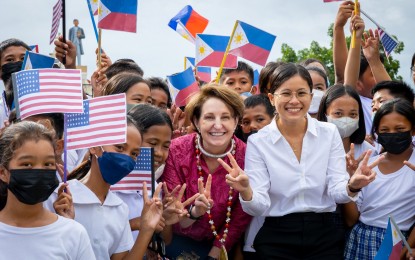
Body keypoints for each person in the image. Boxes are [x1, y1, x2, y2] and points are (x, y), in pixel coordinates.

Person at [218, 62, 382, 259]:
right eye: (286, 93)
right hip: (277, 236)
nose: (294, 101)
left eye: (302, 93)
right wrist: (246, 190)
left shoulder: (329, 133)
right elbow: (259, 206)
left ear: (311, 97)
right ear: (271, 98)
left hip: (324, 235)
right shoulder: (258, 141)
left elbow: (338, 192)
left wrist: (352, 186)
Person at [45, 116, 164, 259]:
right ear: (94, 147)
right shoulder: (57, 197)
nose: (126, 158)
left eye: (134, 154)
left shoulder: (119, 208)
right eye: (120, 147)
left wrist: (146, 228)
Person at [161, 84, 252, 259]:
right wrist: (195, 213)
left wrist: (214, 255)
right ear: (196, 121)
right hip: (176, 241)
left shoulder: (248, 155)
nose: (218, 126)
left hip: (223, 247)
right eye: (209, 117)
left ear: (236, 121)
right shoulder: (176, 150)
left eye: (225, 117)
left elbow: (240, 216)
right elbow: (173, 213)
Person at [0, 121, 95, 259]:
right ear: (3, 172)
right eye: (27, 164)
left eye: (48, 164)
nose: (39, 171)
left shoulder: (73, 234)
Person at [344, 98, 415, 259]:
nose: (392, 134)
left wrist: (407, 248)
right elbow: (351, 219)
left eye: (399, 129)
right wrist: (350, 182)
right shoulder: (369, 165)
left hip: (395, 243)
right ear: (376, 132)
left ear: (413, 130)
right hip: (358, 239)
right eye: (384, 130)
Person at [113, 104, 173, 240]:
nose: (159, 153)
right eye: (152, 143)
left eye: (166, 146)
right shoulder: (111, 184)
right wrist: (134, 224)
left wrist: (166, 218)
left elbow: (166, 240)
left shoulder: (155, 187)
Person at [317, 84, 375, 175]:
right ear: (325, 114)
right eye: (338, 113)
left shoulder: (368, 152)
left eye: (352, 114)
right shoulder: (312, 147)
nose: (346, 120)